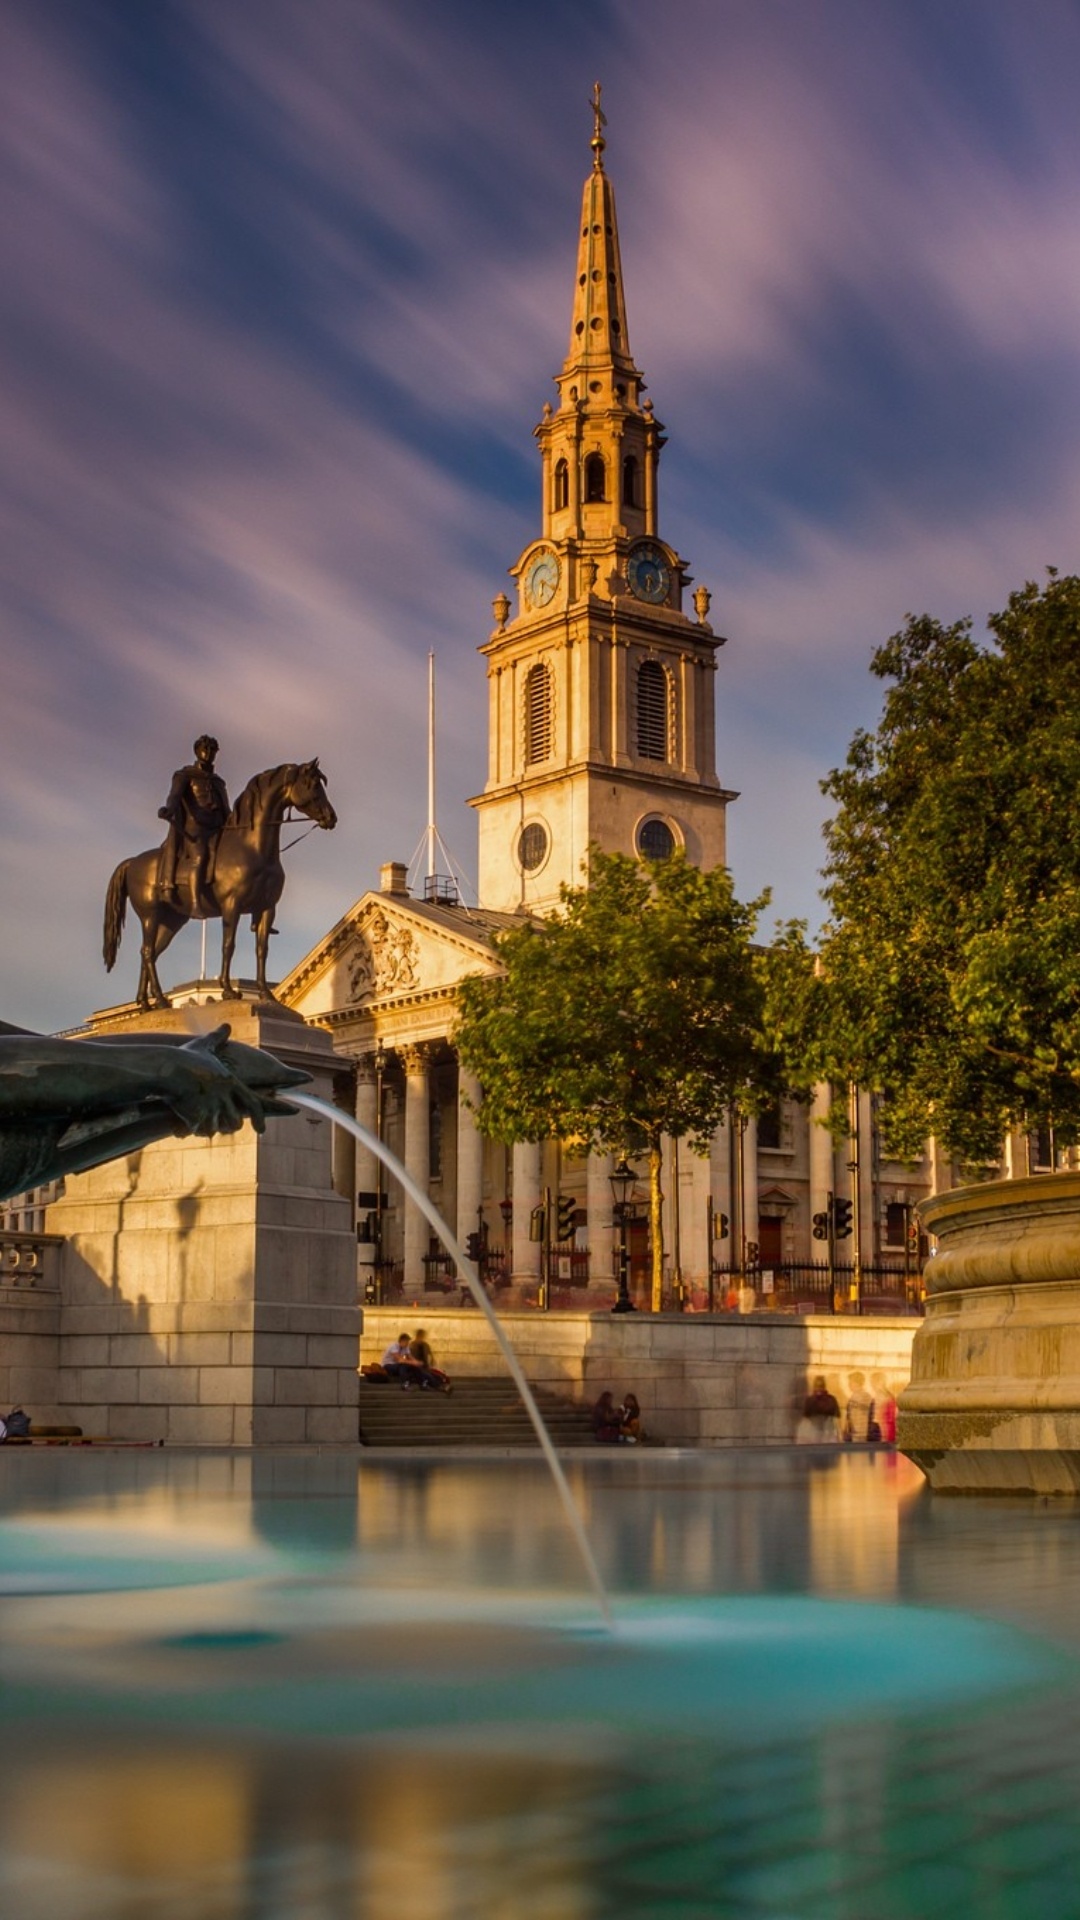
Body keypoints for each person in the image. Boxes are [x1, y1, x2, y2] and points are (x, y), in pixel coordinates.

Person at [156, 734, 231, 906]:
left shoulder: (219, 782)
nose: (209, 753)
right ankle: (196, 903)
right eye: (205, 748)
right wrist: (168, 809)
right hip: (195, 829)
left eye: (213, 750)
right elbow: (174, 796)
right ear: (197, 751)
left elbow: (226, 809)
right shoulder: (185, 775)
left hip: (217, 827)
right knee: (200, 856)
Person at [797, 1375, 841, 1443]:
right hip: (818, 1430)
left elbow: (836, 1417)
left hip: (825, 1430)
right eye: (818, 1385)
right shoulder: (829, 1399)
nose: (819, 1388)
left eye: (820, 1385)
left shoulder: (812, 1399)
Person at [410, 1328, 452, 1393]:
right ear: (418, 1336)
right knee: (428, 1376)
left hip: (425, 1366)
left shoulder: (425, 1345)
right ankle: (441, 1387)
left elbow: (430, 1355)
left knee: (436, 1375)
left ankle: (443, 1386)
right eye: (421, 1336)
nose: (422, 1338)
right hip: (416, 1368)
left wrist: (431, 1361)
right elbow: (410, 1357)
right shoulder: (412, 1345)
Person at [844, 1371, 876, 1443]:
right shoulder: (865, 1396)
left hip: (859, 1433)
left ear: (856, 1383)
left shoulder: (861, 1397)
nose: (849, 1385)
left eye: (850, 1382)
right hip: (858, 1432)